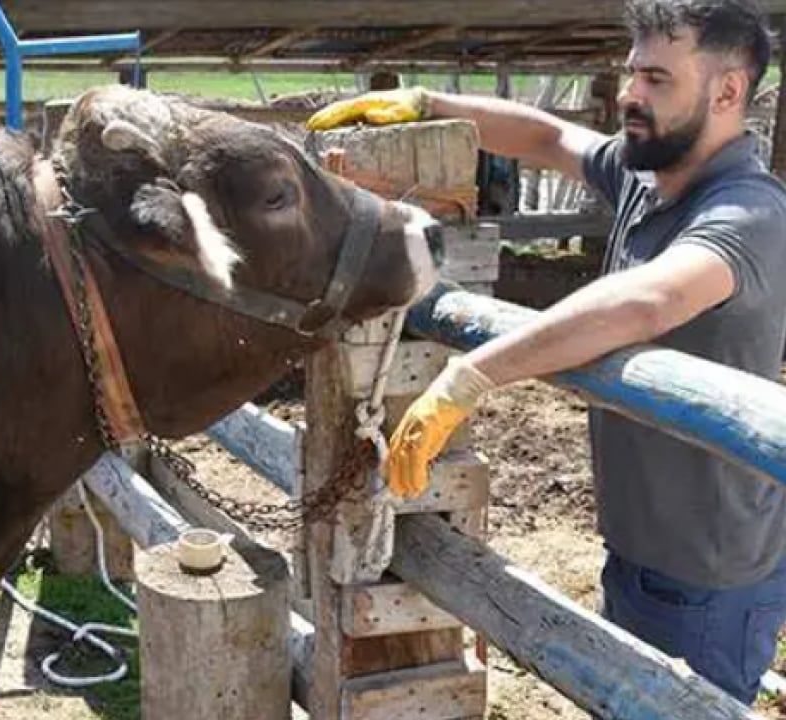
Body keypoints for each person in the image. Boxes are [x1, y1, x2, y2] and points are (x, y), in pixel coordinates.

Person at [308, 0, 786, 705]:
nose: (630, 95)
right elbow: (545, 135)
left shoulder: (748, 211)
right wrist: (423, 100)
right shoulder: (647, 175)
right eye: (631, 74)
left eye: (657, 78)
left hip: (708, 574)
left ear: (727, 91)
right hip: (643, 546)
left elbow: (648, 300)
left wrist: (473, 372)